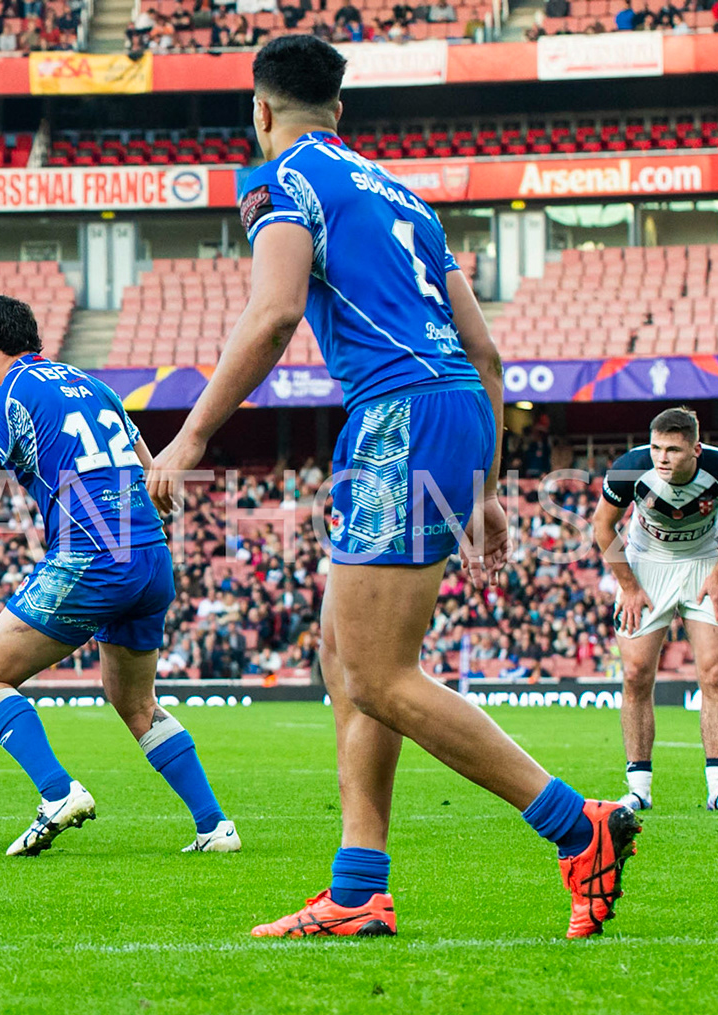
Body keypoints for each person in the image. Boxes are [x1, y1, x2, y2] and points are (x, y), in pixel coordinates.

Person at [145, 36, 638, 940]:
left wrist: (190, 438)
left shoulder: (278, 180)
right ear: (342, 109)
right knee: (345, 656)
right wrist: (485, 487)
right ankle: (359, 887)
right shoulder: (403, 196)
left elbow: (276, 311)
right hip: (451, 412)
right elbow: (487, 351)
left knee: (376, 671)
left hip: (397, 416)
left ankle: (578, 825)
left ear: (262, 112)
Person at [0, 295, 239, 857]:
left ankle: (57, 793)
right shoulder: (95, 387)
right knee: (134, 702)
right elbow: (156, 475)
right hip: (151, 556)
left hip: (92, 554)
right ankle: (214, 826)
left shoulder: (7, 394)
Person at [592, 407, 718, 813]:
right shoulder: (630, 468)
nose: (662, 458)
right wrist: (629, 586)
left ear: (696, 450)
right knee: (635, 674)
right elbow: (603, 526)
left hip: (705, 562)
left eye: (672, 449)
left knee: (715, 674)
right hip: (647, 565)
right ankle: (638, 789)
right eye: (656, 448)